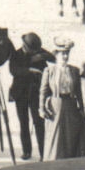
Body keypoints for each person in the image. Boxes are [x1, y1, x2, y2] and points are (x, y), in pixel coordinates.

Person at [40, 36, 85, 160]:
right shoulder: (49, 71)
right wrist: (42, 108)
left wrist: (81, 109)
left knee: (69, 137)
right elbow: (43, 91)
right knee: (55, 138)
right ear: (56, 55)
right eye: (62, 54)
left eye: (67, 54)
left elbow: (78, 92)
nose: (65, 57)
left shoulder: (74, 70)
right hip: (55, 106)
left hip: (70, 105)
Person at [7, 32, 50, 160]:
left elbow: (52, 57)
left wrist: (41, 55)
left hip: (35, 93)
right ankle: (27, 151)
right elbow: (13, 70)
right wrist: (29, 70)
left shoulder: (38, 51)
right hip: (20, 93)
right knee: (23, 123)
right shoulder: (16, 54)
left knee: (39, 123)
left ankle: (43, 152)